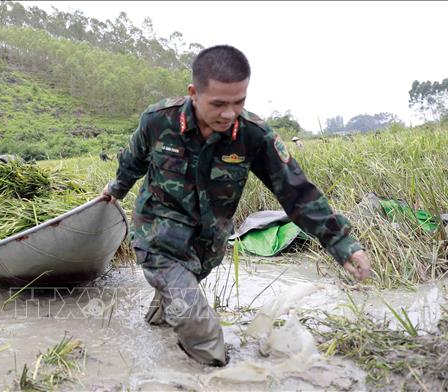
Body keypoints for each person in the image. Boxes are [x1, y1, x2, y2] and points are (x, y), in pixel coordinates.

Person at [101, 45, 371, 367]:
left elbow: (296, 192)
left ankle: (158, 329)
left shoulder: (252, 135)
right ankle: (209, 369)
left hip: (206, 247)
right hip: (159, 238)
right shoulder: (159, 121)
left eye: (239, 102)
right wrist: (115, 190)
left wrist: (343, 244)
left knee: (175, 302)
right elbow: (132, 161)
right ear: (194, 93)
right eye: (218, 103)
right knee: (203, 332)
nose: (229, 114)